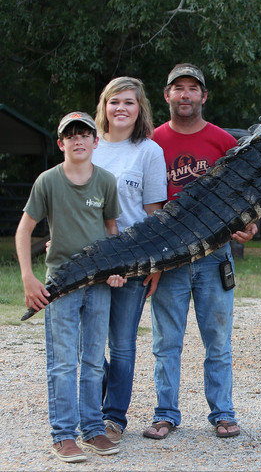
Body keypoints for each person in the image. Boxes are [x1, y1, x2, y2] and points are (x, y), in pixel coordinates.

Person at [143, 63, 257, 440]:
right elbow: (149, 202)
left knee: (218, 342)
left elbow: (250, 187)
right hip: (171, 257)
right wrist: (156, 257)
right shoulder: (152, 142)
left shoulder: (224, 142)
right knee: (166, 344)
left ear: (204, 96)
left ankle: (223, 414)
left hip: (215, 257)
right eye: (179, 88)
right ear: (167, 95)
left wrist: (250, 221)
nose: (186, 95)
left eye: (193, 88)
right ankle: (165, 414)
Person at [15, 112, 123, 462]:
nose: (78, 140)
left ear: (95, 141)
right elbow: (23, 230)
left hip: (97, 284)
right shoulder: (47, 182)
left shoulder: (106, 181)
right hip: (60, 284)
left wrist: (115, 268)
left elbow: (111, 231)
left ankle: (92, 429)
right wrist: (29, 277)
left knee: (93, 360)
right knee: (63, 363)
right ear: (61, 143)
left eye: (85, 134)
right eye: (71, 135)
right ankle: (63, 435)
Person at [92, 77, 168, 443]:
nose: (121, 108)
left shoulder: (148, 151)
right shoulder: (88, 146)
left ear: (140, 110)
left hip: (133, 259)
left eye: (129, 103)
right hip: (89, 258)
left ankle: (113, 417)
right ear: (104, 107)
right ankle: (95, 397)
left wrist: (156, 263)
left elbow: (155, 213)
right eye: (114, 101)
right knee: (83, 339)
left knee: (121, 342)